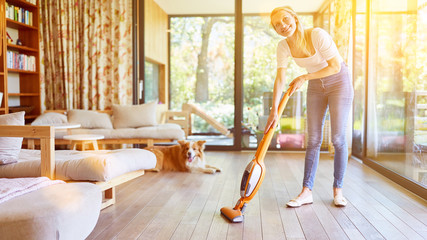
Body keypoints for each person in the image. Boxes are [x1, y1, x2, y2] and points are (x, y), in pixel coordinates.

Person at [265, 6, 354, 207]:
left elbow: (335, 66)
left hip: (339, 82)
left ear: (295, 18)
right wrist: (274, 110)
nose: (283, 26)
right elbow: (280, 78)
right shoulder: (283, 46)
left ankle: (338, 191)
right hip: (316, 85)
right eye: (277, 25)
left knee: (338, 138)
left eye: (286, 20)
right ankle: (307, 191)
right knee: (313, 139)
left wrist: (304, 76)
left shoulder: (316, 35)